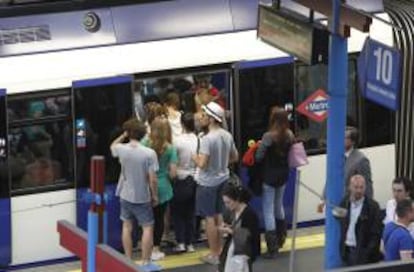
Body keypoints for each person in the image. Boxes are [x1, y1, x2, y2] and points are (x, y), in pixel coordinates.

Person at [192, 101, 239, 265]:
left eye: (204, 115)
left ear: (212, 119)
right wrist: (221, 163)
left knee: (209, 218)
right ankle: (220, 251)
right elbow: (235, 157)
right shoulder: (227, 135)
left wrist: (194, 157)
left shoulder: (207, 139)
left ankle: (214, 254)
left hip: (207, 183)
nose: (201, 118)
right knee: (219, 215)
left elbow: (202, 164)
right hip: (223, 179)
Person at [110, 118, 158, 266]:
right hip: (142, 196)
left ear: (128, 132)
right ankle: (145, 261)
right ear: (143, 134)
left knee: (126, 226)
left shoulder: (122, 149)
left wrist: (123, 135)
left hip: (125, 194)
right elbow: (152, 179)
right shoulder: (149, 153)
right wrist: (154, 195)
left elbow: (112, 146)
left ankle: (128, 259)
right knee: (147, 227)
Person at [254, 106, 294, 258]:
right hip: (283, 175)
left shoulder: (268, 136)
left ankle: (272, 246)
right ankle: (282, 237)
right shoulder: (289, 135)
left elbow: (258, 157)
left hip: (269, 176)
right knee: (279, 205)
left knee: (268, 209)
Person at [142, 116, 178, 261]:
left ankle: (146, 249)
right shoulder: (170, 148)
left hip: (145, 186)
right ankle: (156, 248)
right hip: (163, 188)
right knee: (159, 219)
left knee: (146, 221)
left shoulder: (144, 144)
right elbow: (173, 173)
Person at [318, 126, 373, 212]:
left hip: (351, 205)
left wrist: (369, 207)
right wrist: (323, 199)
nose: (341, 140)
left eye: (345, 138)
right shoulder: (336, 155)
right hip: (334, 203)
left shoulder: (361, 160)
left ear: (353, 141)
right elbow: (331, 178)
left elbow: (368, 185)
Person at [337, 174, 382, 266]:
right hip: (347, 250)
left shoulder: (373, 207)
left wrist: (366, 253)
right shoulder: (344, 203)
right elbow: (339, 217)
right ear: (350, 187)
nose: (359, 190)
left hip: (364, 253)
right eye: (356, 187)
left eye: (361, 187)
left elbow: (376, 234)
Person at [171, 112, 198, 253]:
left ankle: (180, 242)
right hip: (194, 178)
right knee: (191, 213)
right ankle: (190, 243)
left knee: (178, 213)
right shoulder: (197, 139)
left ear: (181, 124)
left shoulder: (177, 141)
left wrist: (172, 178)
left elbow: (173, 163)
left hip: (180, 179)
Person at [218, 184, 260, 272]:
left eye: (228, 202)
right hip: (234, 251)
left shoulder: (249, 215)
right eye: (225, 202)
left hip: (243, 254)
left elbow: (250, 236)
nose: (226, 205)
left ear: (237, 200)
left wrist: (230, 230)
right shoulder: (233, 212)